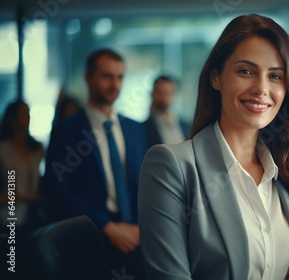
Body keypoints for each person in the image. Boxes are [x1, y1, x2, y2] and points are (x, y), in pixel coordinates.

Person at [138, 14, 289, 280]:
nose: (261, 88)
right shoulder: (171, 166)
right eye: (246, 71)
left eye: (275, 76)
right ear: (216, 78)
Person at [41, 49, 148, 278]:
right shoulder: (65, 131)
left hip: (137, 238)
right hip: (90, 239)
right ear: (88, 77)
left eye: (120, 77)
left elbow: (145, 183)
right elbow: (56, 188)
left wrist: (143, 227)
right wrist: (106, 227)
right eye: (106, 76)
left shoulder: (136, 129)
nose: (115, 84)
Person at [0, 101, 44, 232]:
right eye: (23, 114)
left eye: (28, 113)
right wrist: (19, 197)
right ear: (12, 120)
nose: (28, 118)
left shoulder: (37, 148)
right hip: (9, 217)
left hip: (34, 215)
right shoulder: (3, 150)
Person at [143, 75, 191, 147]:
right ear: (153, 94)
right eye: (160, 93)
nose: (164, 98)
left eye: (168, 93)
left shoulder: (188, 126)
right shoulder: (144, 128)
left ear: (175, 95)